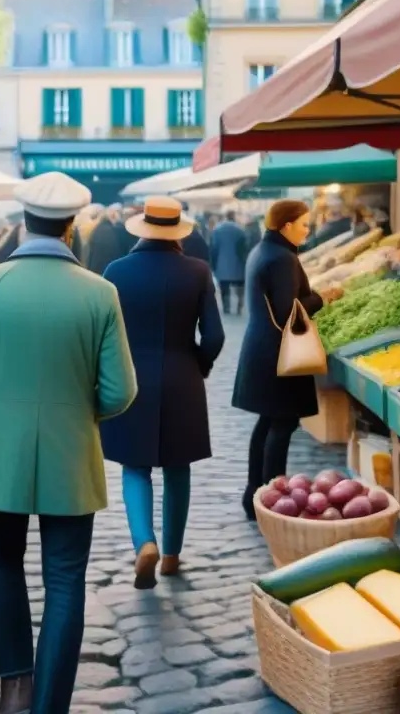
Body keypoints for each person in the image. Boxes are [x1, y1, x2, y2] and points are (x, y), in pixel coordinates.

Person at [0, 172, 137, 714]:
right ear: (71, 227)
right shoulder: (101, 293)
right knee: (66, 579)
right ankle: (50, 705)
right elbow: (121, 390)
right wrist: (78, 412)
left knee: (3, 558)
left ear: (24, 221)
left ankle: (14, 689)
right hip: (71, 454)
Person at [101, 197, 225, 589]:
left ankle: (145, 543)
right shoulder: (198, 271)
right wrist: (198, 365)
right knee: (178, 468)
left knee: (134, 467)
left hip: (131, 378)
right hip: (182, 376)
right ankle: (171, 555)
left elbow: (104, 336)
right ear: (177, 232)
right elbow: (215, 336)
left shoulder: (115, 272)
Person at [232, 200, 342, 520]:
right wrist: (325, 296)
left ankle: (255, 494)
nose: (308, 229)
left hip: (263, 348)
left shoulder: (262, 251)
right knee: (281, 423)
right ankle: (271, 498)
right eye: (304, 224)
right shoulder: (282, 258)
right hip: (279, 353)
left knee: (269, 420)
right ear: (286, 226)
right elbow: (288, 311)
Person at [210, 210, 248, 315]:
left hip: (222, 265)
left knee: (224, 289)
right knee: (240, 287)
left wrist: (213, 265)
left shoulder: (217, 230)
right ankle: (239, 307)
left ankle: (226, 307)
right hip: (238, 265)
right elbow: (243, 249)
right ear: (234, 217)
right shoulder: (240, 230)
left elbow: (214, 249)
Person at [86, 203, 127, 274]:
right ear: (114, 215)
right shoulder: (116, 230)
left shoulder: (97, 229)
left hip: (95, 271)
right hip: (110, 271)